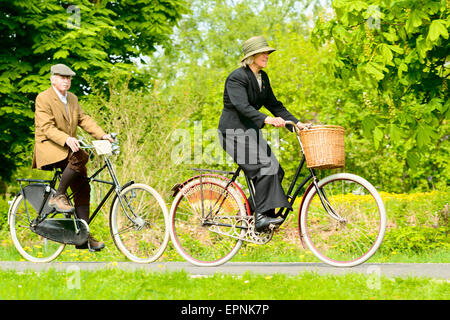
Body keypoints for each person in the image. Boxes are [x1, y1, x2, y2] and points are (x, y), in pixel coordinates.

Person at [218, 36, 309, 232]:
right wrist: (267, 119)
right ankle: (260, 217)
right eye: (263, 52)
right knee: (265, 167)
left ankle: (250, 214)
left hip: (250, 132)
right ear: (251, 56)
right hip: (233, 133)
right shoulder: (237, 78)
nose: (267, 55)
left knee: (276, 170)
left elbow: (275, 105)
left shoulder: (263, 78)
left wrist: (298, 124)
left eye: (267, 52)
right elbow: (241, 106)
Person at [32, 63, 114, 251]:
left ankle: (83, 236)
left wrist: (102, 135)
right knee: (81, 155)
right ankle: (58, 196)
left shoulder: (72, 99)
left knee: (84, 188)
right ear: (52, 78)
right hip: (50, 147)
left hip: (68, 148)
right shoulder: (43, 98)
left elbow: (84, 119)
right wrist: (67, 138)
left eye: (68, 78)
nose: (66, 80)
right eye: (62, 77)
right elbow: (46, 127)